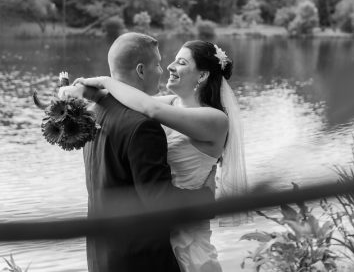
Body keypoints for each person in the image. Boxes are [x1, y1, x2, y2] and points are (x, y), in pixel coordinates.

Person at [75, 39, 249, 272]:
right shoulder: (173, 103)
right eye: (173, 60)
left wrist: (105, 80)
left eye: (181, 62)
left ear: (202, 75)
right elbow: (126, 99)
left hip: (186, 232)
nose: (169, 66)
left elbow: (150, 109)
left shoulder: (215, 119)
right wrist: (82, 92)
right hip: (160, 225)